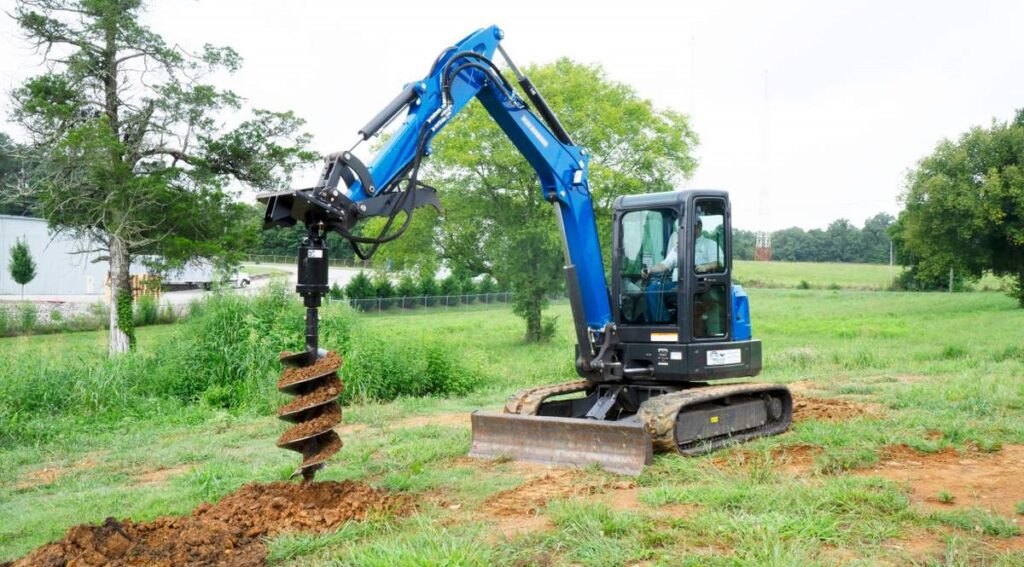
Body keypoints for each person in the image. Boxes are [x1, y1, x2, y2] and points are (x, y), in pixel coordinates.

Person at [641, 218, 724, 323]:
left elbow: (718, 263)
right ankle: (664, 322)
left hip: (699, 285)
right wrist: (650, 269)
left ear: (699, 228)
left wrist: (705, 267)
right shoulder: (677, 247)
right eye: (683, 228)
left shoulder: (709, 244)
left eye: (692, 227)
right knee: (652, 290)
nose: (686, 231)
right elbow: (664, 265)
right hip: (677, 284)